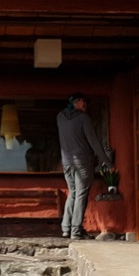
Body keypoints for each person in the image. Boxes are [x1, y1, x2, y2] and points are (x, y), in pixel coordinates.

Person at [56, 93, 113, 239]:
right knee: (81, 194)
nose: (86, 105)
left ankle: (65, 228)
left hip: (67, 162)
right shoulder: (83, 118)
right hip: (82, 161)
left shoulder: (60, 118)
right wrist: (107, 162)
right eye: (84, 102)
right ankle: (76, 230)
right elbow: (94, 142)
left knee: (72, 193)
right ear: (79, 102)